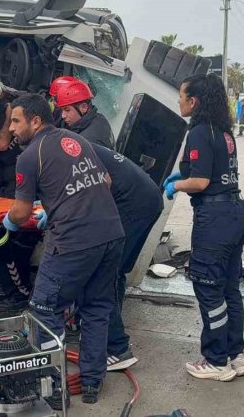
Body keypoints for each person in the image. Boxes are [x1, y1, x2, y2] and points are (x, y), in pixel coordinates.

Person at [3, 93, 124, 407]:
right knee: (97, 309)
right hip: (111, 234)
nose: (11, 129)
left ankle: (53, 390)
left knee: (45, 312)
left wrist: (11, 223)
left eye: (16, 121)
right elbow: (106, 181)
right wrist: (60, 204)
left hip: (73, 241)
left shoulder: (29, 157)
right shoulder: (76, 139)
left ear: (36, 121)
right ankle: (92, 384)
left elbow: (20, 211)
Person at [164, 72, 244, 382]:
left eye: (182, 95)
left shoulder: (200, 131)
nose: (179, 100)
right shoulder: (223, 131)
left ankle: (216, 361)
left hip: (215, 219)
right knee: (229, 288)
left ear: (194, 100)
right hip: (236, 212)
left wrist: (178, 185)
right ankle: (234, 354)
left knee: (208, 288)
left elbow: (200, 182)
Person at [91, 143, 164, 371]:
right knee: (117, 271)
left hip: (134, 204)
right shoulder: (77, 143)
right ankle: (108, 329)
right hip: (148, 198)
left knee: (102, 276)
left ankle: (117, 347)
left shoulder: (68, 151)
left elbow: (105, 183)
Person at [54, 79, 116, 149]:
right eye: (62, 110)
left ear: (84, 107)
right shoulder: (99, 118)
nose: (63, 116)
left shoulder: (86, 142)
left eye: (67, 110)